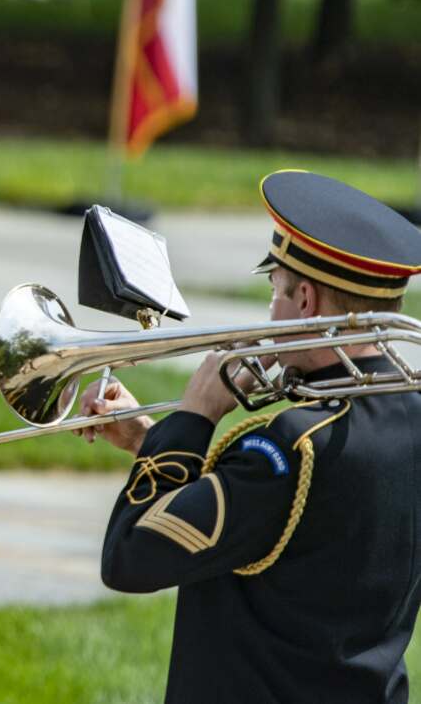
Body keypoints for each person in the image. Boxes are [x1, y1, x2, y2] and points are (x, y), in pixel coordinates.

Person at [82, 170, 421, 703]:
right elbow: (285, 528)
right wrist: (150, 440)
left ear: (305, 300)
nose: (269, 312)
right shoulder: (409, 416)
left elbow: (128, 557)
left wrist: (196, 416)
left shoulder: (289, 448)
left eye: (275, 289)